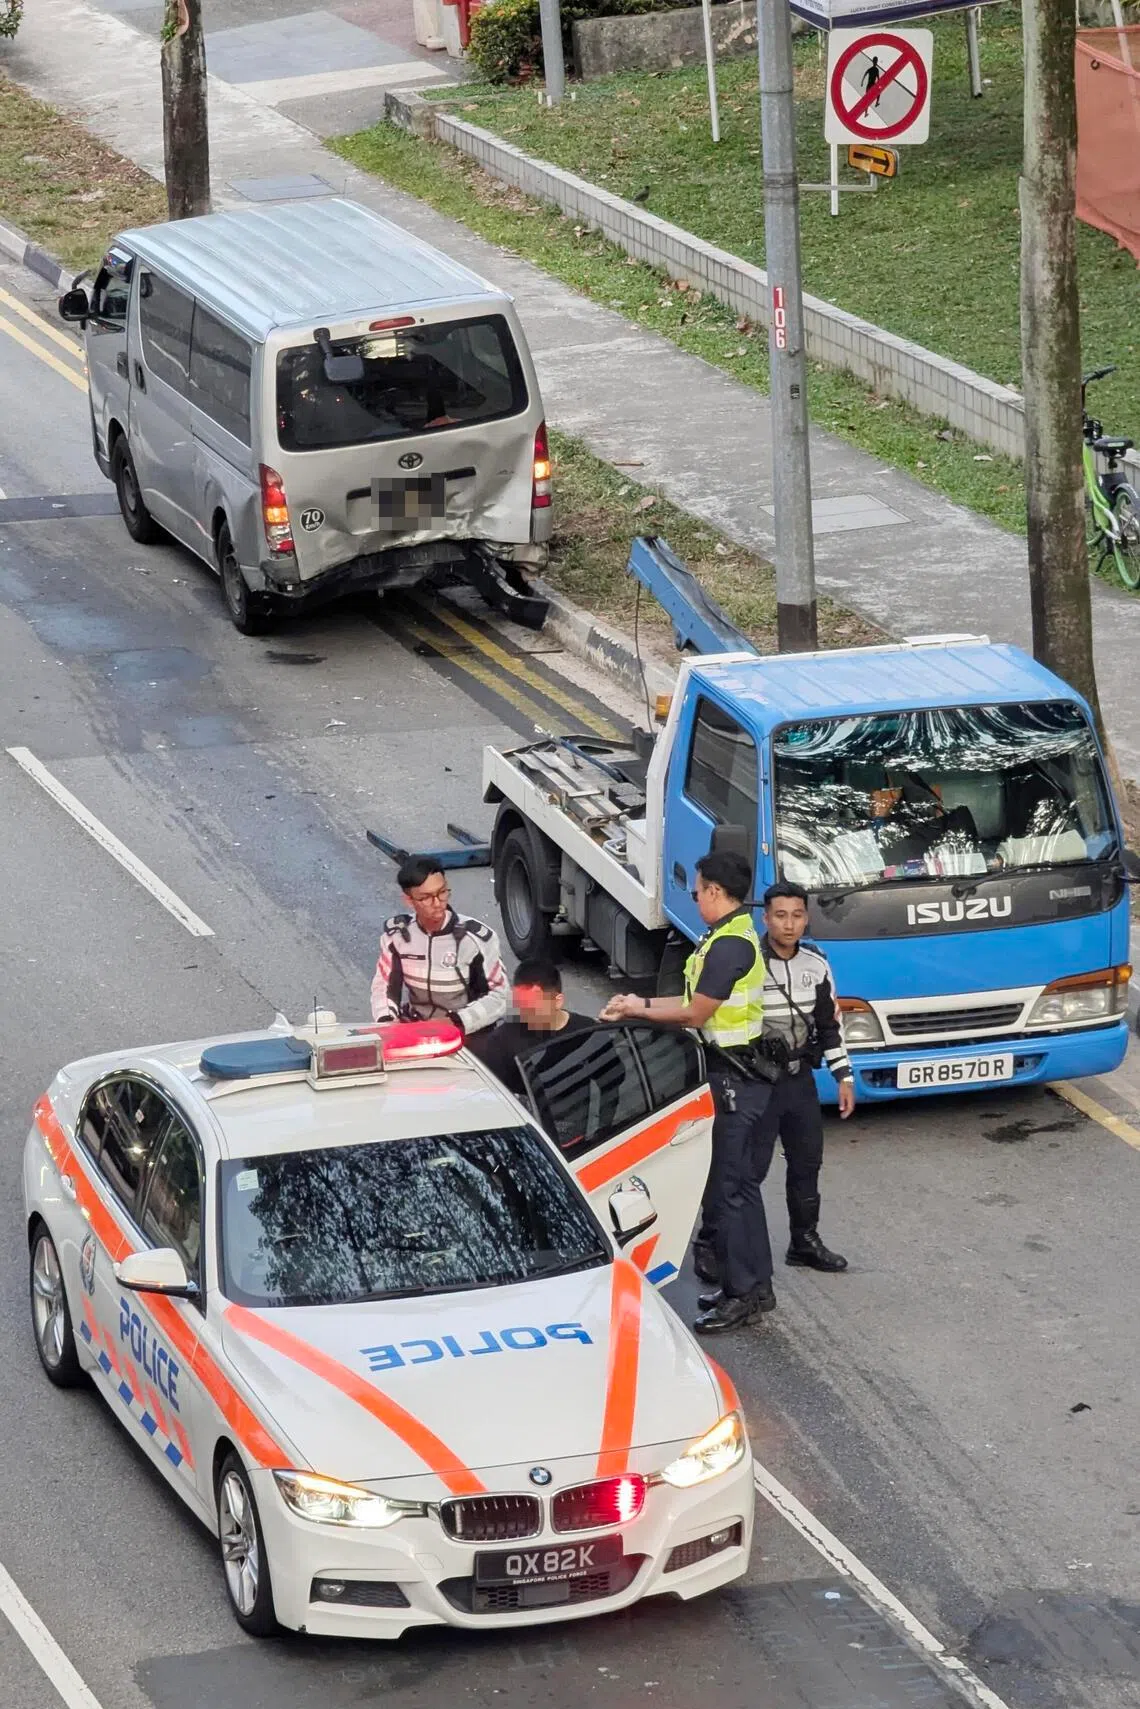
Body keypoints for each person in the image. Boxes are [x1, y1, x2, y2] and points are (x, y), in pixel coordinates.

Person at [600, 849, 774, 1335]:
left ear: (715, 892)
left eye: (698, 890)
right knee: (741, 1189)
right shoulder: (727, 936)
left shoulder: (730, 945)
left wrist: (639, 1012)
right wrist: (638, 1002)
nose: (695, 898)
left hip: (734, 1079)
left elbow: (695, 1014)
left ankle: (743, 1293)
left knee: (729, 1193)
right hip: (734, 1076)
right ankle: (755, 1285)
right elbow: (693, 1001)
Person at [370, 855, 508, 1036]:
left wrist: (456, 1022)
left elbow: (500, 996)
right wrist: (388, 1022)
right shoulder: (396, 937)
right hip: (416, 1029)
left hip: (466, 1033)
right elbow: (383, 987)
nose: (437, 903)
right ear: (409, 901)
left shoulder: (476, 939)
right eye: (426, 897)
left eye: (442, 892)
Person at [467, 959, 592, 1096]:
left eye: (534, 1009)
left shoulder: (587, 1032)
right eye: (523, 1008)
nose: (527, 1017)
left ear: (558, 1001)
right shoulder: (502, 1042)